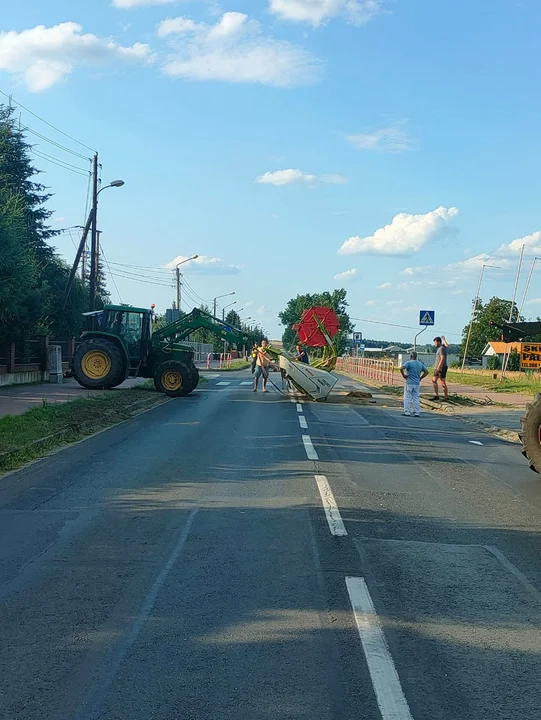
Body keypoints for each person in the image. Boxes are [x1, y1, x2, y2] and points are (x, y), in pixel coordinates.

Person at [400, 352, 428, 417]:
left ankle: (407, 412)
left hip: (409, 382)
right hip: (417, 383)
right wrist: (420, 378)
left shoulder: (409, 363)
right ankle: (417, 412)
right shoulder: (420, 364)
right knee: (416, 398)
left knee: (407, 397)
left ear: (411, 356)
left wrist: (404, 375)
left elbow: (401, 368)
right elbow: (426, 372)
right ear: (416, 356)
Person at [432, 336, 449, 400]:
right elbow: (447, 346)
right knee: (434, 380)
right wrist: (444, 339)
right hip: (438, 367)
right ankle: (436, 396)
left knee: (442, 382)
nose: (435, 344)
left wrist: (438, 368)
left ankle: (446, 397)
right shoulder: (443, 347)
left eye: (435, 342)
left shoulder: (441, 349)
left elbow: (442, 358)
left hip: (441, 367)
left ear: (439, 342)